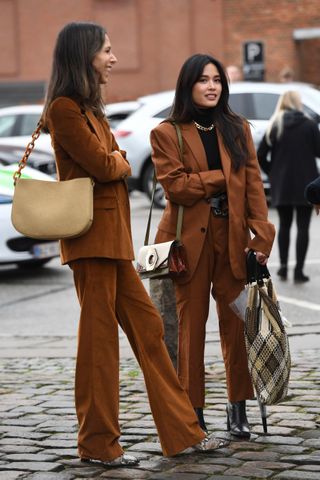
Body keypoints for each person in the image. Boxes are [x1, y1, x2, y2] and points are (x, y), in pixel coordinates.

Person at [41, 23, 227, 468]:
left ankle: (183, 432)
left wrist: (117, 162)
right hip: (89, 244)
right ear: (84, 55)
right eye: (106, 50)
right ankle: (98, 445)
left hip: (114, 243)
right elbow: (106, 166)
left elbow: (113, 162)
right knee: (99, 346)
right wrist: (119, 162)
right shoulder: (64, 108)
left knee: (149, 334)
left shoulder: (91, 109)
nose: (114, 58)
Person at [150, 53, 275, 438]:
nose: (211, 86)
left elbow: (253, 185)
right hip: (187, 244)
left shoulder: (238, 129)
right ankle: (193, 413)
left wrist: (261, 236)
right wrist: (221, 177)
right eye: (203, 80)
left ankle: (238, 410)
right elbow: (177, 187)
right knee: (190, 329)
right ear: (188, 85)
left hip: (233, 238)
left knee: (237, 326)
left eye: (217, 79)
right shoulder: (167, 132)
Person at [257, 91, 320, 283]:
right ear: (298, 103)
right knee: (303, 226)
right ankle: (299, 271)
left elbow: (260, 155)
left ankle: (283, 268)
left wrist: (272, 173)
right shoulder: (310, 125)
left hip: (282, 182)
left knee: (284, 225)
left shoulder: (276, 125)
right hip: (306, 183)